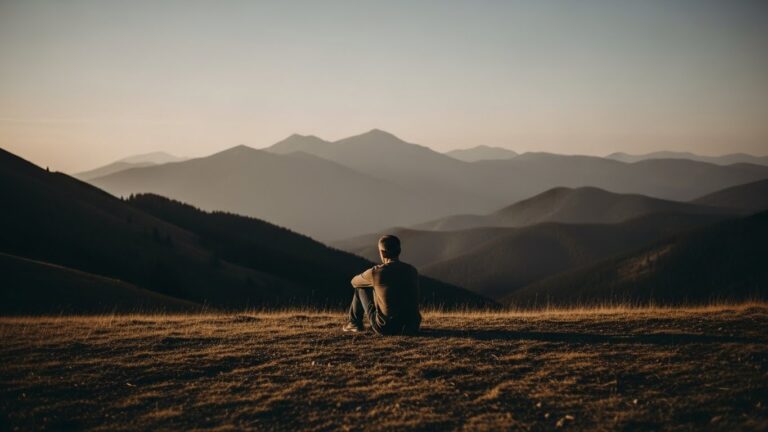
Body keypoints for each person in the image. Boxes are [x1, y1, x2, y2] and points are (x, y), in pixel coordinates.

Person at [343, 235, 421, 335]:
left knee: (360, 288)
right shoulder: (412, 270)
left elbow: (354, 282)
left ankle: (354, 323)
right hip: (412, 327)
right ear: (399, 250)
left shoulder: (376, 272)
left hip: (386, 328)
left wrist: (372, 283)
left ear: (383, 253)